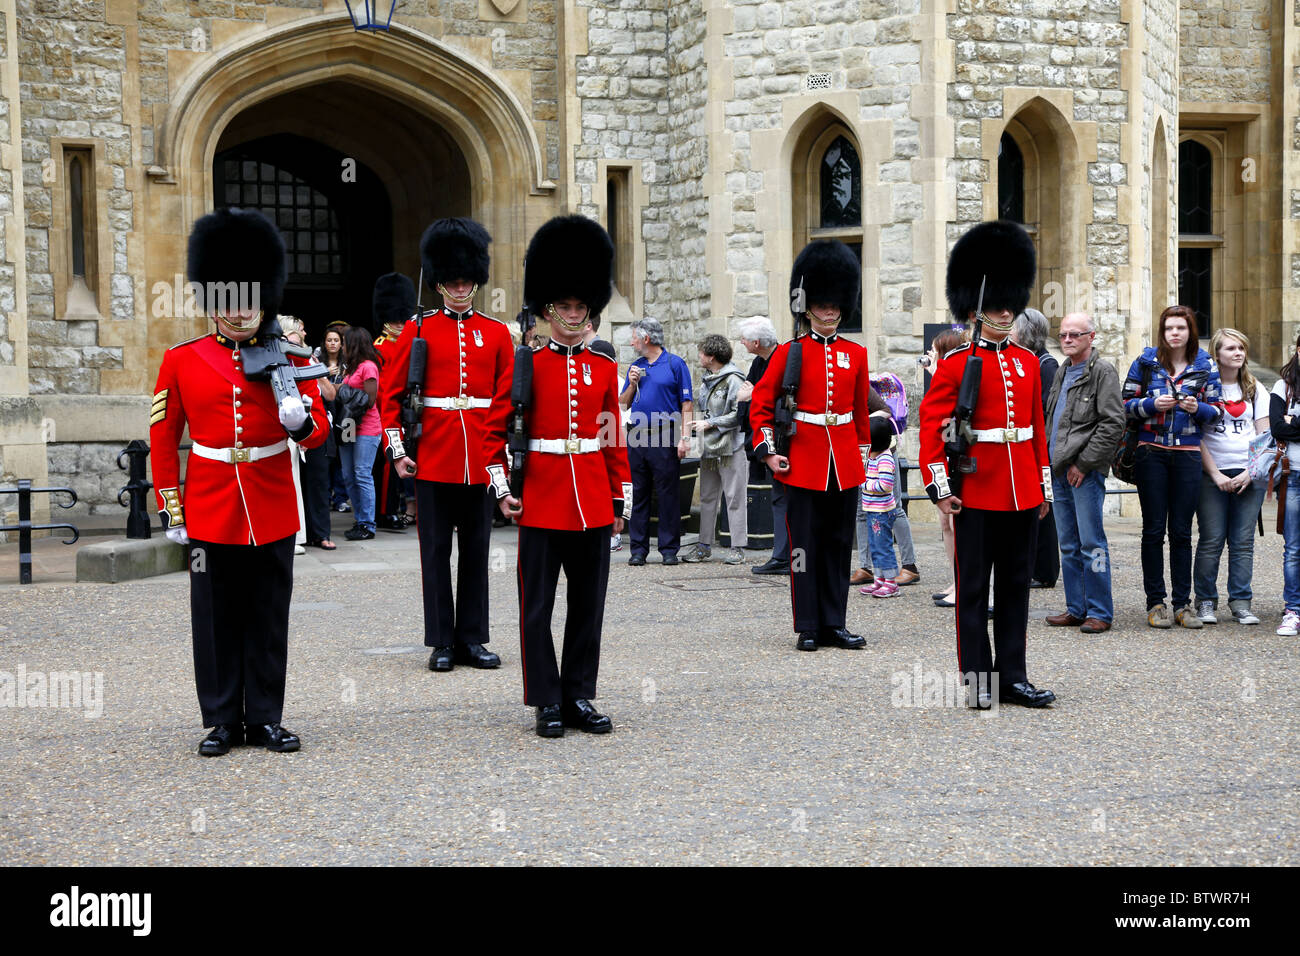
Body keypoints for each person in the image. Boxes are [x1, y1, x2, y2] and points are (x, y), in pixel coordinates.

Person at [150, 207, 328, 755]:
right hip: (209, 504)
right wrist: (172, 508)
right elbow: (163, 437)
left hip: (271, 501)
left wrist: (302, 422)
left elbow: (318, 434)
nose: (239, 312)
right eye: (227, 302)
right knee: (215, 618)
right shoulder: (182, 359)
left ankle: (266, 718)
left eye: (248, 300)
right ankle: (224, 718)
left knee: (269, 616)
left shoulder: (289, 358)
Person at [497, 215, 631, 737]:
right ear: (548, 309)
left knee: (587, 607)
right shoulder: (525, 364)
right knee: (538, 607)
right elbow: (495, 432)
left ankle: (577, 694)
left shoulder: (602, 367)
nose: (573, 315)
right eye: (564, 307)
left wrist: (621, 499)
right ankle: (544, 698)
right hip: (542, 498)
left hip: (592, 498)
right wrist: (504, 488)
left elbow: (611, 436)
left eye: (581, 307)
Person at [917, 219, 1055, 709]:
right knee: (973, 590)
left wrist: (1043, 489)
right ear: (975, 310)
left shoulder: (1026, 362)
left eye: (1009, 304)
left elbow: (1037, 430)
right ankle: (979, 680)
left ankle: (1013, 676)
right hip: (976, 491)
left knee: (1016, 589)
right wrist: (940, 486)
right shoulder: (956, 364)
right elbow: (934, 429)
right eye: (995, 305)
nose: (1004, 312)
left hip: (1021, 492)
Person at [379, 218, 513, 672]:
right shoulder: (418, 330)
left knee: (476, 552)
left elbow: (503, 398)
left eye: (467, 280)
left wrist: (499, 458)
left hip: (478, 456)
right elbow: (390, 396)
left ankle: (472, 638)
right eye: (453, 281)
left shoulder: (495, 333)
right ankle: (441, 640)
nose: (460, 287)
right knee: (434, 552)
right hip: (432, 456)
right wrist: (398, 452)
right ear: (438, 284)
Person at [751, 239, 873, 652]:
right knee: (803, 547)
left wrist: (862, 450)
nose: (830, 312)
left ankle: (835, 622)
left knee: (839, 547)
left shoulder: (855, 354)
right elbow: (761, 405)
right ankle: (807, 623)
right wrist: (768, 451)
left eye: (836, 305)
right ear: (807, 308)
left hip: (843, 462)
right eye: (823, 305)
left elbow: (858, 411)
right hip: (803, 459)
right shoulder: (790, 352)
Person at [1123, 305, 1221, 629]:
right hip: (1151, 451)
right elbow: (1123, 405)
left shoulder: (1205, 364)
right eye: (1169, 328)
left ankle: (1182, 605)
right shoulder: (1146, 362)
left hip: (1188, 453)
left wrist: (1198, 407)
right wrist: (1151, 405)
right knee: (1153, 530)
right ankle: (1155, 603)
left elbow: (1218, 411)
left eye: (1181, 328)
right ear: (1162, 332)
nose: (1175, 333)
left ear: (1190, 331)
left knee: (1181, 531)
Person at [1042, 312, 1125, 633]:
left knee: (1093, 544)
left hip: (1083, 472)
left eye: (1075, 335)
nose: (1067, 340)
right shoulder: (1063, 370)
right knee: (1068, 544)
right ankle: (1076, 608)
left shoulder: (1102, 371)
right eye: (1063, 335)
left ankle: (1100, 611)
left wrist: (1085, 463)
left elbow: (1113, 423)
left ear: (1091, 337)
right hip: (1058, 470)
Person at [1194, 328, 1268, 625]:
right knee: (1211, 539)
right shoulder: (1206, 389)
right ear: (1216, 354)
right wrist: (1214, 473)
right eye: (1230, 349)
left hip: (1249, 474)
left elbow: (1265, 435)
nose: (1238, 353)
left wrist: (1252, 472)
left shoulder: (1254, 388)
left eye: (1241, 348)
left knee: (1243, 541)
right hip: (1212, 473)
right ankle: (1205, 601)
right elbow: (1196, 435)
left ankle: (1241, 601)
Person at [620, 317, 693, 566]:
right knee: (638, 493)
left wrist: (685, 438)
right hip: (637, 434)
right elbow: (623, 403)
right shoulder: (636, 365)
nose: (631, 342)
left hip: (665, 435)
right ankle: (638, 549)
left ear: (646, 339)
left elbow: (687, 404)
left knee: (668, 494)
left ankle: (669, 549)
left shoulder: (675, 364)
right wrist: (631, 384)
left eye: (633, 338)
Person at [683, 333, 748, 564]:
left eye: (701, 352)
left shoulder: (734, 380)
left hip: (731, 447)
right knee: (708, 497)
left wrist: (710, 423)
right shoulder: (708, 378)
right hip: (710, 446)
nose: (699, 356)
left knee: (734, 497)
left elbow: (738, 415)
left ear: (711, 356)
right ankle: (703, 545)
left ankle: (738, 547)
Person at [738, 318, 790, 575]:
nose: (741, 343)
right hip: (768, 439)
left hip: (786, 440)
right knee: (779, 498)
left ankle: (787, 557)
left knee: (786, 500)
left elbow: (773, 399)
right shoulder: (758, 364)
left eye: (744, 339)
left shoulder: (784, 360)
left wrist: (752, 394)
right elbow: (745, 405)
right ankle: (782, 556)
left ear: (756, 343)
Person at [852, 385, 918, 587]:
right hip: (861, 454)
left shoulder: (860, 384)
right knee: (861, 511)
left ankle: (909, 566)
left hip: (881, 452)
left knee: (895, 509)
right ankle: (866, 567)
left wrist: (864, 424)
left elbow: (885, 411)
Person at [923, 327, 970, 608]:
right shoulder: (944, 374)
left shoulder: (957, 372)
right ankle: (956, 580)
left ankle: (963, 583)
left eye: (935, 350)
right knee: (946, 523)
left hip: (957, 454)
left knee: (955, 522)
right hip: (947, 455)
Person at [1012, 307, 1059, 588]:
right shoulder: (1028, 360)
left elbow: (1045, 411)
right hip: (1027, 446)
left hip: (1040, 448)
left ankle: (1044, 570)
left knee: (1044, 512)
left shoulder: (1045, 364)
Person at [372, 274, 418, 532]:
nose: (400, 324)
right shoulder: (381, 347)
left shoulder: (408, 342)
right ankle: (384, 512)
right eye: (396, 320)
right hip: (387, 413)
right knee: (387, 466)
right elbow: (384, 385)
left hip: (408, 412)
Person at [337, 326, 382, 541]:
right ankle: (360, 518)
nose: (342, 346)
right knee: (348, 475)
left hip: (367, 428)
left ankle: (367, 524)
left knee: (362, 474)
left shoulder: (368, 367)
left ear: (353, 344)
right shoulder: (350, 368)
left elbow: (370, 400)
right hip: (349, 426)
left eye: (345, 342)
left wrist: (343, 391)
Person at [1270, 331, 1300, 636]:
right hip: (1294, 476)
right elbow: (1277, 427)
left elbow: (1289, 426)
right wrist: (1287, 424)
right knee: (1293, 548)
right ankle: (1294, 609)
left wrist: (1295, 423)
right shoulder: (1284, 386)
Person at [859, 416, 901, 598]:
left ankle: (891, 582)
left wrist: (865, 484)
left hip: (882, 512)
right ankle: (879, 580)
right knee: (875, 546)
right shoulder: (873, 457)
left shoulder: (885, 459)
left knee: (883, 546)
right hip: (873, 510)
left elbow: (885, 485)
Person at [280, 315, 310, 555]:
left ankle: (297, 534)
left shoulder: (296, 357)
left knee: (293, 482)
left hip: (294, 422)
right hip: (281, 424)